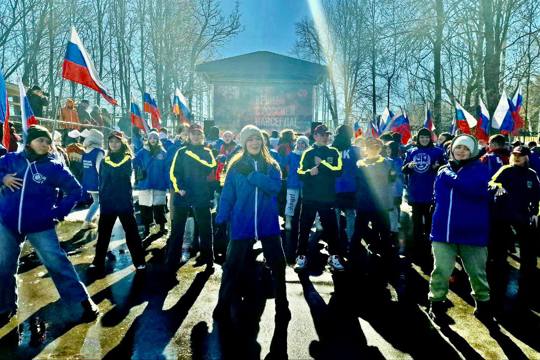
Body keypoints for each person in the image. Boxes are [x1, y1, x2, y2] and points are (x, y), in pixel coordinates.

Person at [0, 125, 99, 325]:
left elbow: (75, 191)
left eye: (47, 141)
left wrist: (57, 213)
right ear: (29, 142)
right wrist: (3, 178)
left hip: (40, 225)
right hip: (7, 223)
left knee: (57, 262)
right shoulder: (11, 160)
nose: (45, 144)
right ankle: (5, 306)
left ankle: (82, 302)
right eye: (40, 140)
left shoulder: (54, 166)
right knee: (4, 265)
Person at [213, 124, 290, 323]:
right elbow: (228, 194)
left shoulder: (271, 164)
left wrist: (253, 175)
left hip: (267, 223)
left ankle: (283, 304)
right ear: (244, 143)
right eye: (250, 139)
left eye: (257, 139)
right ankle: (222, 304)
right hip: (242, 222)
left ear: (262, 142)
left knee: (279, 265)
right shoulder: (235, 165)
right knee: (231, 266)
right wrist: (221, 219)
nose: (254, 142)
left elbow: (274, 188)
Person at [428, 134, 495, 327]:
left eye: (466, 148)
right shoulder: (442, 170)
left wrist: (452, 177)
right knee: (441, 270)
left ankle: (483, 303)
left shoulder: (481, 171)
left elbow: (476, 192)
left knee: (476, 272)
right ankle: (436, 303)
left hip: (472, 233)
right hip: (443, 231)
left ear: (472, 151)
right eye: (458, 147)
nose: (461, 151)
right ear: (452, 149)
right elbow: (437, 196)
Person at [488, 145, 540, 310]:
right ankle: (497, 278)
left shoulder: (531, 175)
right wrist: (498, 187)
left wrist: (535, 212)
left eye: (520, 155)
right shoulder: (505, 170)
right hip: (503, 215)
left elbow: (536, 196)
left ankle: (528, 281)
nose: (517, 157)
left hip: (523, 216)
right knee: (500, 248)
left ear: (526, 157)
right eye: (515, 154)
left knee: (528, 250)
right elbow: (491, 182)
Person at [90, 131, 146, 273]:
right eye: (111, 141)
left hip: (123, 201)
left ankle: (139, 262)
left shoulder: (129, 160)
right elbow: (101, 180)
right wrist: (102, 198)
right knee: (103, 234)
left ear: (122, 143)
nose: (114, 144)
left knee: (132, 233)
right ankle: (98, 262)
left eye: (117, 141)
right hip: (108, 202)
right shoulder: (104, 161)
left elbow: (131, 178)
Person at [295, 124, 345, 272]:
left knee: (332, 230)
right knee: (304, 228)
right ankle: (301, 256)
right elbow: (300, 173)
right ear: (315, 136)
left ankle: (334, 256)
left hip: (327, 198)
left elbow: (338, 171)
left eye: (327, 135)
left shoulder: (334, 152)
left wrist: (322, 164)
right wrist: (309, 172)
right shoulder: (308, 153)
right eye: (322, 135)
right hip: (310, 197)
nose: (325, 137)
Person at [167, 124, 216, 271]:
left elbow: (211, 169)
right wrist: (179, 187)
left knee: (205, 228)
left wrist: (210, 194)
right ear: (189, 136)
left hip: (201, 195)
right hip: (183, 194)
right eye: (193, 134)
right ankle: (172, 260)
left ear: (203, 137)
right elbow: (174, 172)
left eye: (199, 134)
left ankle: (208, 258)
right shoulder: (181, 152)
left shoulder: (208, 152)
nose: (196, 137)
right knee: (177, 229)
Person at [352, 138, 397, 288]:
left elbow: (392, 179)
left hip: (380, 203)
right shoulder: (360, 164)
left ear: (379, 148)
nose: (373, 149)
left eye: (376, 146)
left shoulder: (386, 162)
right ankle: (356, 254)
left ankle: (387, 258)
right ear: (365, 149)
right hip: (364, 203)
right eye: (370, 147)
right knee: (359, 230)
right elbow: (357, 183)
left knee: (384, 231)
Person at [402, 128, 445, 267]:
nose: (424, 139)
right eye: (422, 137)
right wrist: (408, 165)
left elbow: (445, 168)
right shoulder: (411, 151)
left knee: (430, 220)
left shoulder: (438, 151)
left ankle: (430, 246)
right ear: (418, 138)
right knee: (416, 221)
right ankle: (417, 246)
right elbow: (404, 169)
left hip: (432, 191)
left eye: (427, 137)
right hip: (415, 191)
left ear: (430, 138)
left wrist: (437, 167)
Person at [133, 130, 169, 238]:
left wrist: (167, 182)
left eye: (155, 138)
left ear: (158, 140)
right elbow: (134, 161)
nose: (152, 140)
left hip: (159, 183)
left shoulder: (162, 152)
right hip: (145, 183)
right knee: (145, 207)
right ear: (148, 140)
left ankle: (162, 227)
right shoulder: (142, 151)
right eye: (151, 138)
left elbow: (166, 167)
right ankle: (146, 228)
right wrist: (140, 169)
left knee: (159, 207)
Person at [333, 124, 359, 249]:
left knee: (335, 215)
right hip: (351, 187)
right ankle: (351, 241)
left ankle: (336, 242)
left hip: (334, 187)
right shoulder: (355, 150)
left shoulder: (332, 150)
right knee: (350, 215)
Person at [81, 129, 105, 230]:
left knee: (97, 201)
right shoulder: (99, 152)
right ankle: (88, 221)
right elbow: (100, 168)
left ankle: (89, 220)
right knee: (99, 202)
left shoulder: (86, 152)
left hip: (88, 181)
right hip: (97, 182)